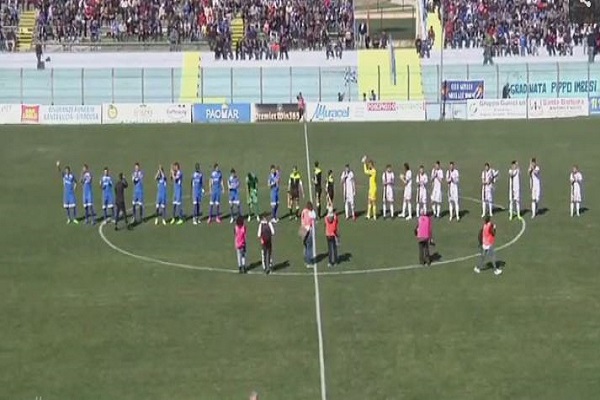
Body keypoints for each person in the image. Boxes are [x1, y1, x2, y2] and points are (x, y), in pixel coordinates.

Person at [301, 201, 317, 267]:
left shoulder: (303, 211)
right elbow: (314, 216)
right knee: (309, 246)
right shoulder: (310, 213)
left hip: (302, 229)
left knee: (305, 245)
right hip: (308, 230)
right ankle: (309, 262)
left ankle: (305, 259)